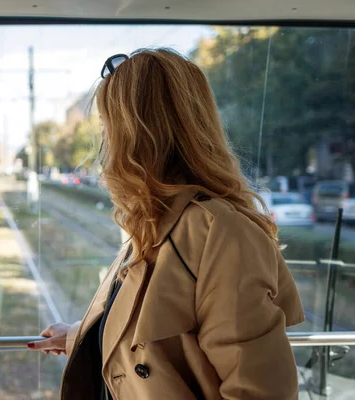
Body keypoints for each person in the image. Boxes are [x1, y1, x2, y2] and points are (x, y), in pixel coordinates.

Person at [28, 48, 305, 399]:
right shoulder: (155, 221)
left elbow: (261, 391)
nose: (104, 143)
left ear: (135, 135)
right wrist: (80, 337)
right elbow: (161, 344)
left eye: (106, 125)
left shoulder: (221, 233)